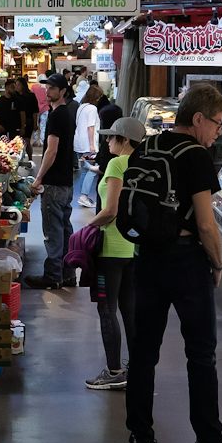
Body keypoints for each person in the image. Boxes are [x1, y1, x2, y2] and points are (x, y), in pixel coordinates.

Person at [123, 82, 222, 443]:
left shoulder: (147, 146)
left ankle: (140, 440)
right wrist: (217, 263)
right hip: (185, 261)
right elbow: (207, 225)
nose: (218, 132)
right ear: (198, 119)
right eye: (217, 123)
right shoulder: (196, 156)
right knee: (201, 355)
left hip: (146, 259)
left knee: (143, 353)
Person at [82, 116, 146, 389]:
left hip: (110, 248)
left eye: (112, 137)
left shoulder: (117, 164)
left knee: (106, 310)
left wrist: (85, 228)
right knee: (129, 310)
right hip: (133, 247)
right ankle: (136, 368)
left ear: (126, 141)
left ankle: (113, 371)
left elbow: (110, 210)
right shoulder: (144, 165)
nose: (108, 141)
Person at [28, 73, 77, 289]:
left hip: (55, 182)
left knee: (53, 230)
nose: (47, 92)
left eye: (52, 88)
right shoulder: (66, 113)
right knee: (65, 228)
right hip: (66, 181)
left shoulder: (57, 115)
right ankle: (68, 273)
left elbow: (51, 150)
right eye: (47, 87)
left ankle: (52, 276)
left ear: (63, 91)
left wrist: (39, 178)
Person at [72, 84, 103, 209]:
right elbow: (91, 127)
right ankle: (84, 196)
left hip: (79, 143)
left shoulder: (81, 107)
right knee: (92, 170)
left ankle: (83, 196)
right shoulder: (92, 109)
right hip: (87, 144)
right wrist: (92, 146)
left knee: (85, 170)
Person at [10, 77, 40, 150]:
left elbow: (35, 111)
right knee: (16, 141)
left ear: (23, 85)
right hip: (16, 121)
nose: (16, 87)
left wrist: (35, 124)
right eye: (15, 85)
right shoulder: (14, 96)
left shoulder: (31, 96)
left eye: (18, 85)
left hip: (28, 120)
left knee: (27, 141)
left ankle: (30, 158)